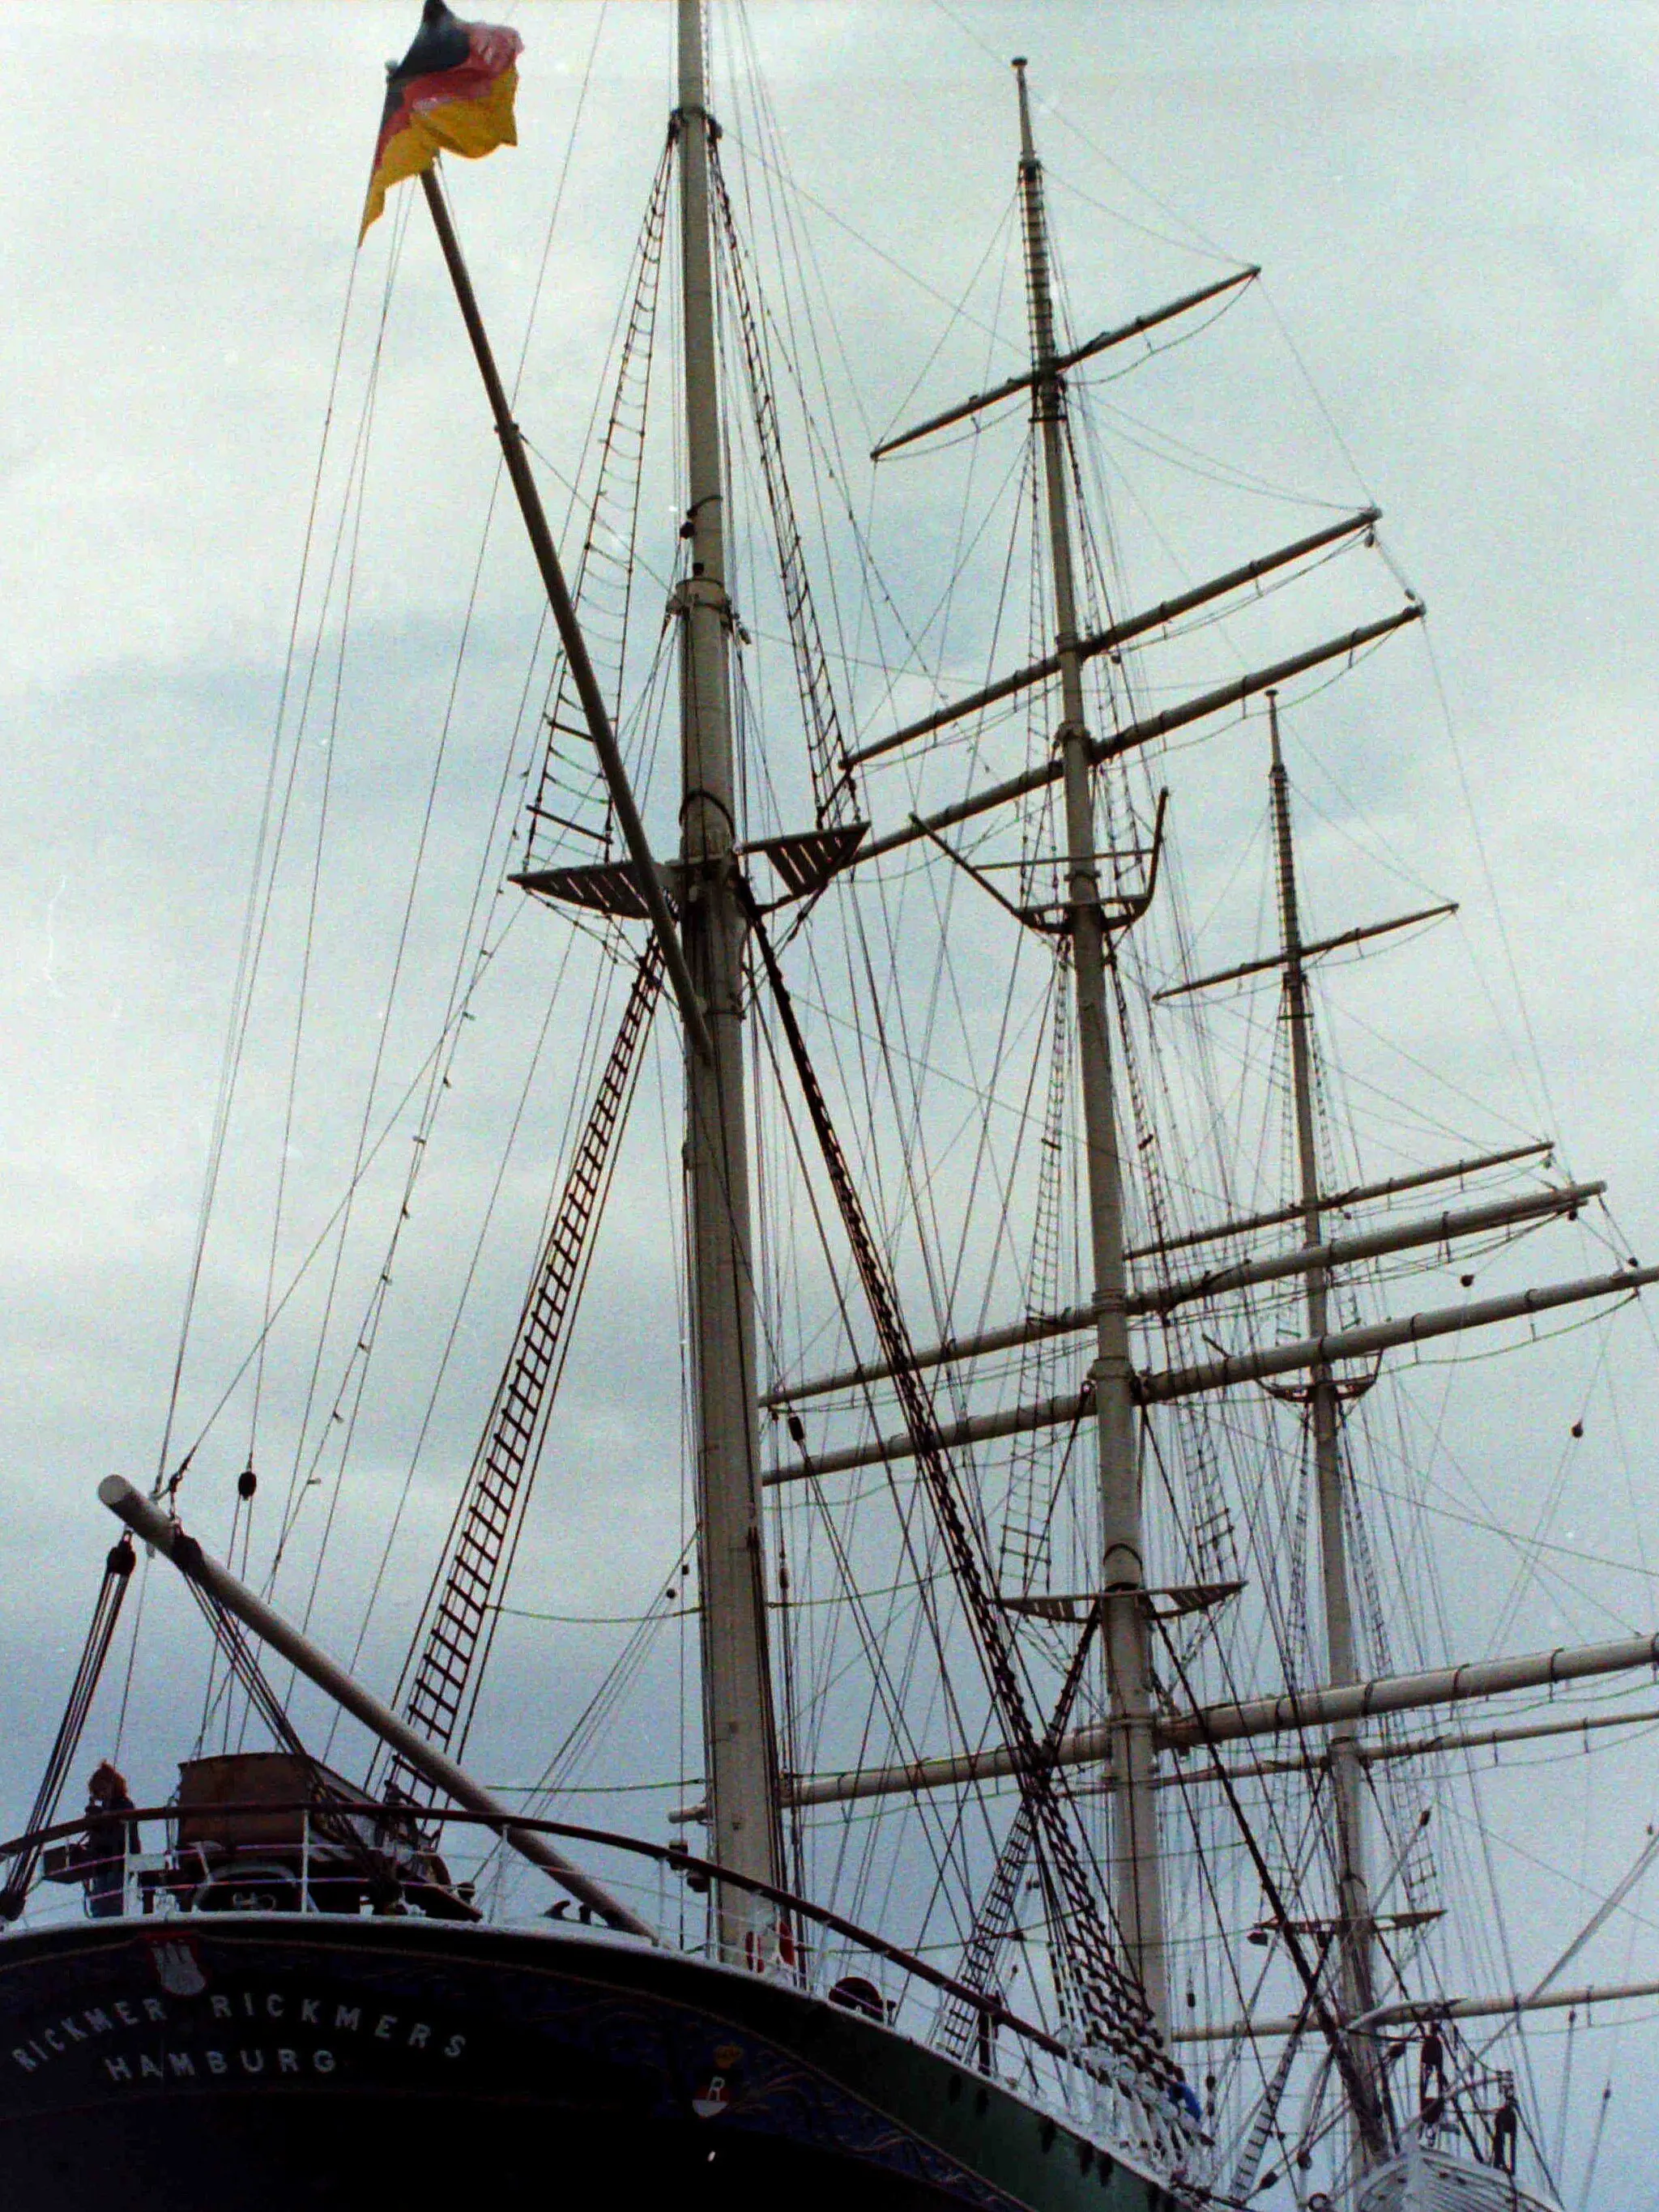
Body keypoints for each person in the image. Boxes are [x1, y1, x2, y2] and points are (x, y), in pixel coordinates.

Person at [83, 1762, 137, 1920]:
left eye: (103, 1789)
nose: (102, 1793)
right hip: (104, 1862)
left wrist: (98, 1818)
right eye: (98, 1791)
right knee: (99, 1900)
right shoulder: (107, 1808)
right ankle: (100, 1919)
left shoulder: (123, 1805)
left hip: (118, 1860)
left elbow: (117, 1832)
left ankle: (110, 1920)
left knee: (112, 1899)